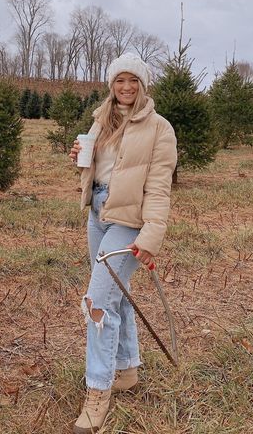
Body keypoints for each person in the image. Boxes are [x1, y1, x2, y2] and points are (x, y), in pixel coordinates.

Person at [69, 53, 177, 434]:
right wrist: (82, 161)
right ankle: (127, 368)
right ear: (111, 84)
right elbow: (101, 169)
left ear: (143, 85)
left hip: (130, 221)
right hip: (98, 214)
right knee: (117, 293)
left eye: (133, 81)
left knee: (98, 302)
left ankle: (98, 391)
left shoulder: (159, 128)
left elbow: (160, 186)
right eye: (120, 81)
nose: (126, 88)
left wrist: (151, 234)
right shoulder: (102, 119)